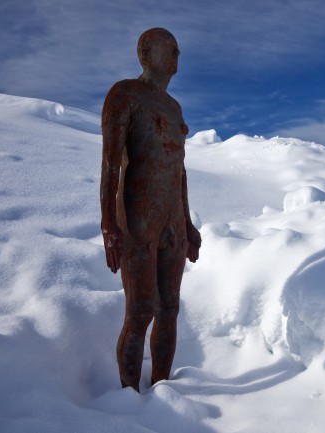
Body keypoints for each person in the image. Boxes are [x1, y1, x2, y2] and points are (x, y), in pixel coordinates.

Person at [100, 27, 201, 392]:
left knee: (169, 309)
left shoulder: (174, 109)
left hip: (172, 220)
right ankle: (128, 397)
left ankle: (163, 389)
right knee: (141, 311)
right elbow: (111, 163)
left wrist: (187, 225)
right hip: (137, 219)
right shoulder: (125, 94)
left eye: (178, 50)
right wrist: (109, 225)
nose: (178, 56)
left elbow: (180, 172)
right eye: (171, 49)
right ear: (146, 52)